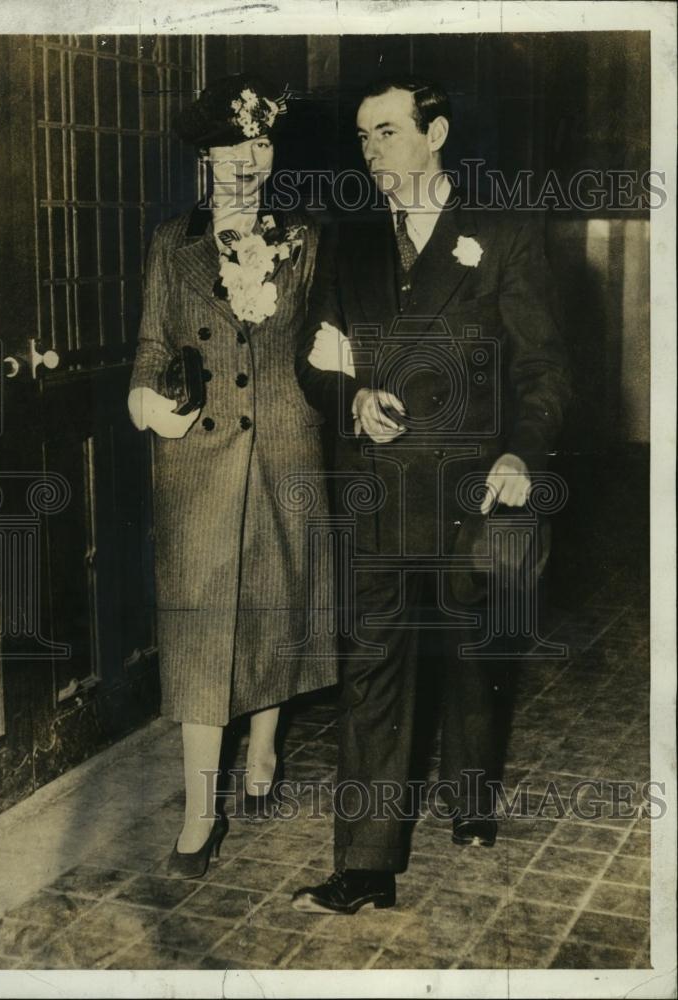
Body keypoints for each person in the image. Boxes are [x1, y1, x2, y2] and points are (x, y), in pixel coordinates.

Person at [291, 76, 570, 913]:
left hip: (474, 495)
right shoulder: (349, 243)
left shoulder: (503, 234)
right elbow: (314, 354)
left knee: (474, 655)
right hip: (377, 496)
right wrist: (351, 399)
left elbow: (543, 366)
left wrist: (524, 452)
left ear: (436, 131)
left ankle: (473, 795)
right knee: (373, 667)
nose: (370, 151)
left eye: (386, 131)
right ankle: (367, 863)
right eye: (362, 136)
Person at [127, 73, 336, 879]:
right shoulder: (170, 244)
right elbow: (151, 346)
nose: (246, 162)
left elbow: (330, 336)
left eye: (259, 145)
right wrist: (146, 399)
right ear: (205, 161)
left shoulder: (308, 237)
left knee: (275, 606)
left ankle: (265, 741)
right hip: (199, 462)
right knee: (200, 631)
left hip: (284, 447)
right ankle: (197, 812)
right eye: (229, 150)